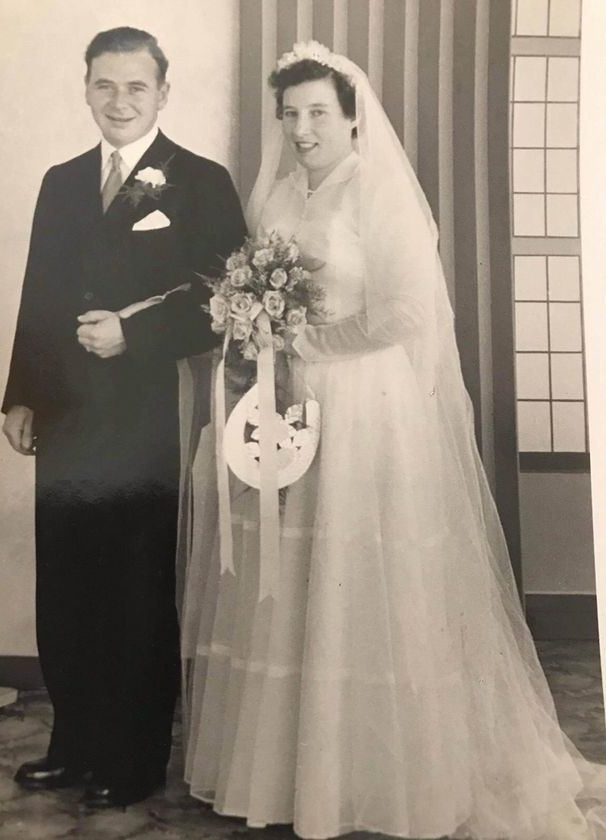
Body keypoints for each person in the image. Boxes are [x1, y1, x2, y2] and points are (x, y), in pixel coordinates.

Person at [181, 42, 606, 839]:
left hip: (366, 404)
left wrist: (312, 346)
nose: (302, 128)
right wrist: (256, 334)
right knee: (291, 579)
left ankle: (375, 783)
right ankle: (291, 779)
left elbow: (409, 309)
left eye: (317, 112)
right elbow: (257, 292)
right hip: (288, 406)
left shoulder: (375, 191)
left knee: (358, 578)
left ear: (351, 116)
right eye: (290, 114)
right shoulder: (274, 198)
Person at [2, 26, 246, 808]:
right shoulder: (62, 179)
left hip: (149, 416)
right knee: (67, 581)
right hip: (68, 415)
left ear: (163, 94)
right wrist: (22, 392)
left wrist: (134, 334)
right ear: (85, 89)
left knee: (135, 588)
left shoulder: (201, 182)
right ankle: (73, 743)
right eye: (105, 85)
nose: (119, 101)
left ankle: (133, 758)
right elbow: (39, 295)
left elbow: (225, 301)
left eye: (136, 87)